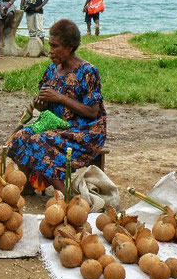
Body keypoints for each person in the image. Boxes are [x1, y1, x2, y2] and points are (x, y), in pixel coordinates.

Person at [7, 19, 107, 194]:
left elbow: (93, 112)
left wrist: (60, 98)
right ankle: (27, 187)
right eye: (49, 46)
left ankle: (65, 196)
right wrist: (42, 105)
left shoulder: (87, 72)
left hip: (85, 131)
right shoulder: (52, 70)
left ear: (69, 47)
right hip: (59, 126)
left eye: (55, 46)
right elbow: (49, 111)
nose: (50, 52)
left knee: (39, 141)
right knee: (20, 136)